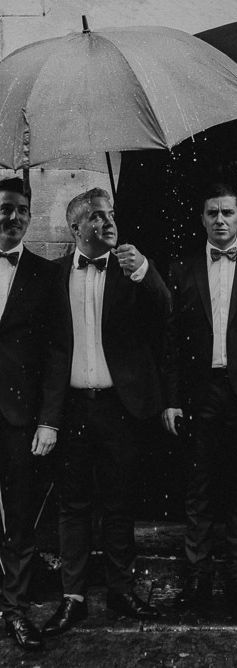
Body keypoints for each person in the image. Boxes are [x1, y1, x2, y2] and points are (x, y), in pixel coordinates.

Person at [43, 187, 169, 636]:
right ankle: (72, 598)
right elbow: (48, 350)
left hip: (119, 407)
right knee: (73, 505)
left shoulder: (128, 268)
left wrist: (145, 272)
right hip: (74, 408)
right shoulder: (55, 276)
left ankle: (121, 589)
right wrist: (49, 417)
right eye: (95, 216)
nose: (106, 221)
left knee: (119, 504)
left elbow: (166, 312)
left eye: (110, 213)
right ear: (75, 228)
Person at [162, 183, 237, 612]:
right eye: (212, 212)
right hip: (200, 394)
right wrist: (173, 398)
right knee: (198, 489)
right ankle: (196, 580)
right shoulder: (182, 268)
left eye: (227, 213)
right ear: (202, 218)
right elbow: (172, 341)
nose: (220, 220)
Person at [0, 178, 70, 651]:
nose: (14, 217)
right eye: (6, 208)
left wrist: (49, 419)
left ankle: (14, 607)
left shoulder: (45, 276)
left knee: (20, 515)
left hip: (18, 415)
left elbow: (57, 353)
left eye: (22, 210)